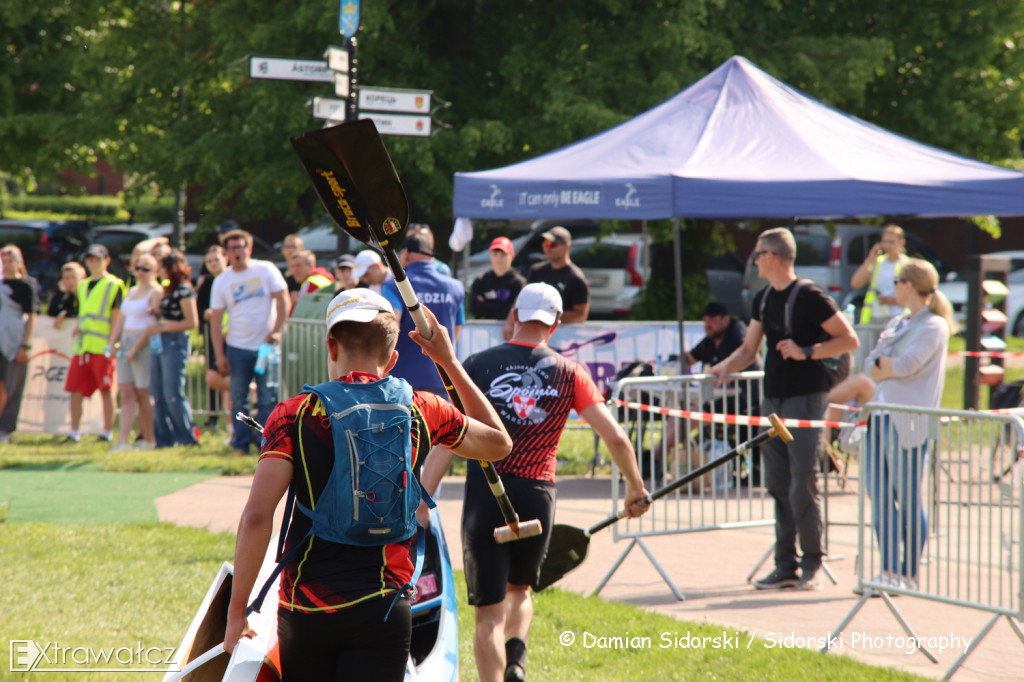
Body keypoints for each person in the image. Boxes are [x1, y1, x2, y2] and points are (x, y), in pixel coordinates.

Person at [224, 289, 512, 681]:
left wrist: (237, 612)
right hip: (386, 605)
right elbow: (499, 443)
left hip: (308, 606)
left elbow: (257, 518)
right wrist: (448, 361)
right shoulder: (422, 408)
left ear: (330, 345)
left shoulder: (293, 413)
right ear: (392, 359)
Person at [453, 283, 650, 682]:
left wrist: (424, 499)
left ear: (514, 316)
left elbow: (448, 436)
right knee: (521, 590)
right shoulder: (571, 372)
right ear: (557, 324)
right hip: (538, 495)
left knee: (487, 614)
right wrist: (636, 487)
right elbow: (615, 437)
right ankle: (517, 662)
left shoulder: (476, 363)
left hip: (486, 492)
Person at [709, 227, 859, 590]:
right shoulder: (763, 298)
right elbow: (748, 349)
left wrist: (807, 351)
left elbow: (848, 340)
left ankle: (812, 562)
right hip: (772, 400)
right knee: (777, 483)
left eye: (758, 254)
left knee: (803, 483)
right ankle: (785, 564)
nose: (754, 260)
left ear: (772, 256)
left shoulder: (809, 296)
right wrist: (724, 366)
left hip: (806, 400)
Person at [859, 259, 956, 591]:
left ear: (910, 285)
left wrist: (886, 365)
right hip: (879, 416)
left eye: (897, 281)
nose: (893, 287)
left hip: (908, 422)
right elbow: (871, 365)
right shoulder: (899, 322)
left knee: (908, 496)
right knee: (881, 496)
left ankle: (908, 573)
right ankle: (888, 571)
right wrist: (886, 366)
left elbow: (906, 365)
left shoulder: (934, 325)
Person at [209, 229, 289, 454]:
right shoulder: (222, 281)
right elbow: (215, 321)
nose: (237, 252)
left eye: (240, 247)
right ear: (226, 253)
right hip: (237, 348)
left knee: (267, 398)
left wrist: (277, 331)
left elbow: (282, 299)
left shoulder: (266, 269)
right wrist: (219, 354)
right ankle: (240, 445)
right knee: (239, 400)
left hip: (266, 347)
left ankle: (265, 443)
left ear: (249, 249)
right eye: (232, 248)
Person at [382, 233, 465, 397]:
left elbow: (391, 325)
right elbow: (456, 329)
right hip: (443, 377)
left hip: (403, 379)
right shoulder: (455, 287)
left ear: (405, 253)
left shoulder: (393, 286)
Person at [64, 244, 126, 443]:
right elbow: (84, 312)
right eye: (90, 259)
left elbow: (117, 315)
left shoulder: (113, 284)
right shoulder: (83, 285)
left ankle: (107, 432)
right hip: (83, 346)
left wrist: (112, 342)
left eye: (97, 259)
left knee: (106, 390)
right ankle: (74, 433)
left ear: (106, 261)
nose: (93, 263)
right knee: (74, 389)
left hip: (102, 346)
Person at [106, 253, 159, 451]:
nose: (140, 272)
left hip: (142, 343)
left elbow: (151, 324)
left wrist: (135, 348)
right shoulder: (132, 290)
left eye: (145, 269)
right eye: (137, 268)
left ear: (154, 271)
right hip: (126, 341)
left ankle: (149, 438)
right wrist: (113, 342)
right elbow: (121, 319)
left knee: (144, 393)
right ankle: (123, 441)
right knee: (126, 393)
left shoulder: (155, 291)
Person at [147, 250, 200, 447]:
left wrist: (163, 326)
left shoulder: (184, 289)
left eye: (162, 267)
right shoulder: (167, 289)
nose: (159, 271)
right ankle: (164, 440)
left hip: (174, 341)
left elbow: (191, 322)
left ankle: (186, 438)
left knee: (172, 393)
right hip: (161, 341)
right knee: (158, 393)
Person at [502, 226, 588, 339]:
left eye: (552, 245)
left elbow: (580, 315)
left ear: (567, 247)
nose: (547, 248)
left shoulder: (576, 278)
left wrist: (546, 315)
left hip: (562, 338)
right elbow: (521, 298)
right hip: (534, 334)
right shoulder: (536, 270)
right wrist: (509, 324)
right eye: (545, 244)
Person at [0, 246, 40, 442]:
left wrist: (26, 344)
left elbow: (32, 316)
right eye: (4, 262)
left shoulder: (26, 285)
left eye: (10, 262)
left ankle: (7, 427)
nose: (6, 266)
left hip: (15, 340)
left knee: (12, 386)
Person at [196, 245, 231, 432]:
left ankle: (233, 417)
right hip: (214, 336)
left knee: (233, 377)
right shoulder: (208, 283)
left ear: (225, 258)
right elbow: (198, 310)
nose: (213, 264)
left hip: (234, 336)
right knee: (213, 374)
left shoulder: (232, 278)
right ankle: (214, 414)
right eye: (209, 261)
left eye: (216, 259)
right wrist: (206, 314)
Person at [851, 224, 909, 324]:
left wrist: (893, 300)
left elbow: (915, 295)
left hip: (898, 317)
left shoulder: (907, 264)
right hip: (875, 317)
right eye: (885, 242)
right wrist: (870, 258)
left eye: (891, 242)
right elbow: (855, 284)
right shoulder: (878, 262)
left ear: (901, 243)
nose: (887, 246)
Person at [469, 236, 526, 320]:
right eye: (495, 254)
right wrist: (503, 306)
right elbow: (473, 308)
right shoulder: (481, 281)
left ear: (512, 256)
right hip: (484, 328)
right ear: (490, 256)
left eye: (503, 254)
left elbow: (517, 311)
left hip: (509, 331)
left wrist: (485, 305)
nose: (499, 258)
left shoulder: (519, 282)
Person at [289, 249, 334, 314]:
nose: (295, 270)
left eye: (298, 265)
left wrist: (292, 302)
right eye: (293, 266)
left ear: (311, 267)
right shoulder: (324, 278)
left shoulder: (311, 283)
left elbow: (295, 313)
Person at [48, 262, 86, 330]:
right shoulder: (69, 297)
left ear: (83, 278)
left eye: (74, 277)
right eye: (66, 278)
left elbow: (85, 312)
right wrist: (60, 292)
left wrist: (66, 313)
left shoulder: (88, 294)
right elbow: (52, 312)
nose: (70, 281)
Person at [280, 233, 304, 307]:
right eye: (287, 247)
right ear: (283, 250)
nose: (290, 250)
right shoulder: (279, 275)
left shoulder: (305, 275)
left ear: (301, 249)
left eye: (293, 247)